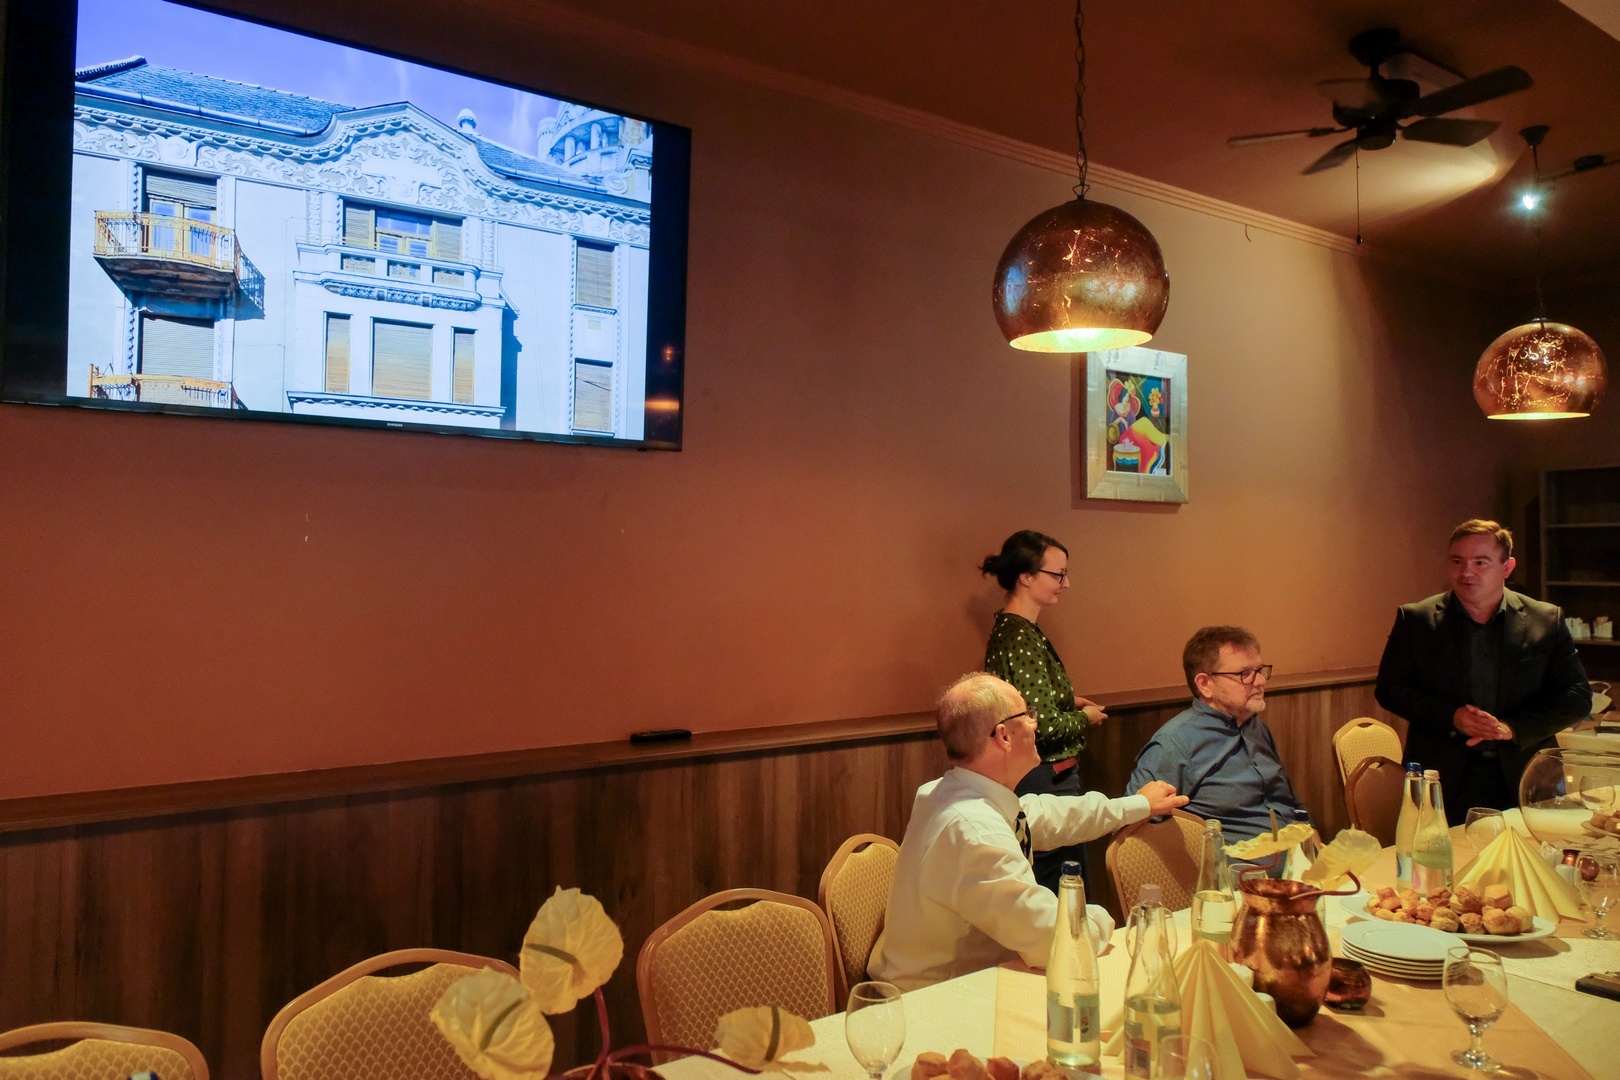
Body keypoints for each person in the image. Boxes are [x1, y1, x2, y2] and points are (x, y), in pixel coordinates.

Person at [869, 673, 1187, 992]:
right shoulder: (977, 832)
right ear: (1004, 736)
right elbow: (1056, 943)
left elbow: (1046, 815)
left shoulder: (949, 792)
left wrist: (1137, 804)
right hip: (931, 1000)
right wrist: (1105, 918)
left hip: (955, 983)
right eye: (1027, 714)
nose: (1036, 723)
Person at [1375, 519, 1591, 823]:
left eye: (1480, 562)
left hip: (1525, 772)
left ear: (1507, 567)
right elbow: (1389, 689)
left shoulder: (1545, 619)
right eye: (1457, 561)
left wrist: (1512, 728)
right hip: (1441, 776)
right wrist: (1452, 717)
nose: (1466, 572)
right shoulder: (1416, 619)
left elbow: (1578, 697)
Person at [980, 530, 1108, 892]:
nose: (1066, 584)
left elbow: (1028, 701)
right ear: (1026, 577)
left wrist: (1070, 700)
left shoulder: (1015, 630)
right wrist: (1086, 718)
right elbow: (1043, 725)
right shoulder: (1019, 636)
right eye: (1058, 575)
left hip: (1041, 779)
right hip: (1045, 779)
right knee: (1061, 888)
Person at [1128, 626, 1309, 845]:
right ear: (1205, 684)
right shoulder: (1173, 745)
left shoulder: (1256, 727)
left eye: (1260, 670)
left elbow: (1290, 804)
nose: (1261, 681)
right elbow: (1133, 829)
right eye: (1245, 674)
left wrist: (1314, 844)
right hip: (1240, 865)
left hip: (1300, 856)